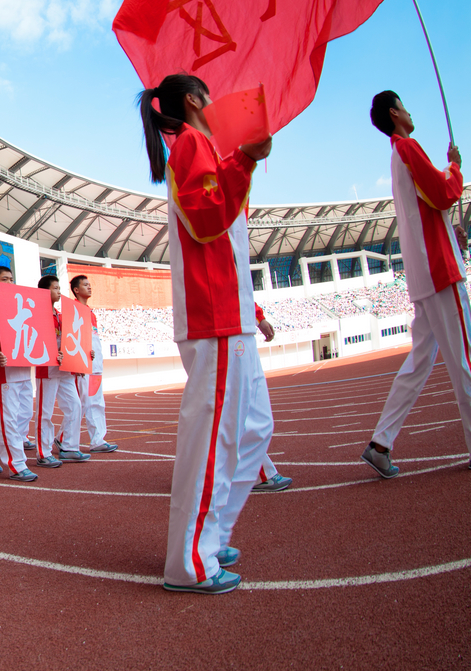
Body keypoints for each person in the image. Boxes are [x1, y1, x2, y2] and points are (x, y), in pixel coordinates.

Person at [139, 73, 273, 595]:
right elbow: (206, 220)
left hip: (231, 314)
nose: (217, 102)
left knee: (255, 430)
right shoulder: (192, 145)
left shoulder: (204, 149)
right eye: (210, 94)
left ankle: (209, 536)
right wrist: (246, 160)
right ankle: (190, 561)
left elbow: (226, 240)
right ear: (194, 101)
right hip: (213, 317)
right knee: (215, 441)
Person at [362, 91, 471, 477]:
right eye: (405, 105)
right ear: (395, 113)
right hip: (440, 272)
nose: (410, 111)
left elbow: (429, 209)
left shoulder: (398, 155)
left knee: (419, 363)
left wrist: (448, 231)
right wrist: (454, 167)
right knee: (465, 360)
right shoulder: (408, 147)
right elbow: (443, 194)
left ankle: (381, 442)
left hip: (427, 272)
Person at [0, 266, 39, 481]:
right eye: (4, 279)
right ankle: (17, 464)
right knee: (8, 418)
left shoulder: (19, 305)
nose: (9, 284)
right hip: (3, 372)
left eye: (11, 279)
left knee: (24, 414)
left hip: (22, 369)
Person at [33, 274, 79, 466]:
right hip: (47, 369)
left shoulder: (61, 316)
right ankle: (43, 452)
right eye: (55, 288)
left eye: (60, 288)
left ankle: (67, 445)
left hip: (65, 369)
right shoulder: (38, 315)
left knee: (76, 406)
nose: (59, 291)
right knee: (45, 412)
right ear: (45, 291)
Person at [68, 275, 116, 454]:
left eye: (89, 285)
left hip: (95, 365)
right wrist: (76, 363)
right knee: (80, 403)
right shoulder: (73, 310)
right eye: (85, 285)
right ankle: (63, 438)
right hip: (82, 365)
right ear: (76, 290)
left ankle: (97, 439)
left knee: (96, 401)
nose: (89, 287)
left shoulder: (91, 312)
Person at [250, 305, 292, 492]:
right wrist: (258, 317)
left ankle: (193, 474)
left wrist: (258, 317)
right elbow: (235, 282)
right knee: (243, 406)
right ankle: (259, 474)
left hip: (216, 328)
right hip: (228, 330)